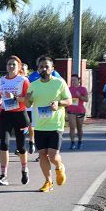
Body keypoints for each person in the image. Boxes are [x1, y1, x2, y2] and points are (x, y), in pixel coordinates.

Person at [25, 56, 72, 193]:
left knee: (53, 156)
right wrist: (27, 99)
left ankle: (59, 167)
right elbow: (28, 104)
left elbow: (69, 100)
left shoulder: (59, 83)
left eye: (46, 66)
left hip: (55, 125)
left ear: (52, 69)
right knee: (42, 154)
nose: (43, 69)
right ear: (38, 70)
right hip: (39, 125)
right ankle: (48, 181)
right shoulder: (33, 85)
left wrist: (59, 103)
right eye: (41, 67)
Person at [0, 56, 31, 186]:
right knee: (3, 144)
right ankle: (3, 175)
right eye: (9, 64)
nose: (11, 66)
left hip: (20, 115)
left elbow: (28, 100)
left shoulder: (23, 80)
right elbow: (1, 96)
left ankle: (24, 169)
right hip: (5, 115)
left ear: (19, 67)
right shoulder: (3, 80)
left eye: (13, 65)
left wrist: (15, 97)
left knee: (21, 146)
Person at [66, 74, 89, 149]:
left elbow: (86, 99)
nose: (73, 81)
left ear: (78, 81)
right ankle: (72, 143)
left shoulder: (83, 89)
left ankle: (80, 142)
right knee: (72, 127)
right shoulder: (68, 89)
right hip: (71, 110)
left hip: (80, 111)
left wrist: (79, 96)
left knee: (79, 128)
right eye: (71, 80)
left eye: (74, 80)